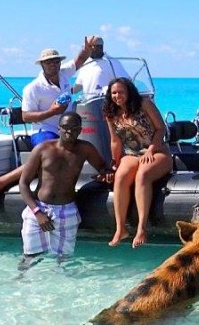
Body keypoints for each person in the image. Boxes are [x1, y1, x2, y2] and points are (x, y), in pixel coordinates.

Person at [16, 112, 112, 267]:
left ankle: (61, 288)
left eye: (74, 128)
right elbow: (23, 183)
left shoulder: (85, 149)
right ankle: (23, 286)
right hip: (38, 208)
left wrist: (107, 175)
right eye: (65, 127)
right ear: (58, 128)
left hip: (66, 210)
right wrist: (37, 213)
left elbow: (102, 167)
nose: (69, 131)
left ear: (80, 130)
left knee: (64, 260)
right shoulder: (42, 149)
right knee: (30, 257)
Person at [103, 77, 172, 248]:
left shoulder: (144, 103)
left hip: (156, 150)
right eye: (114, 93)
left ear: (129, 92)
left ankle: (141, 228)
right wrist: (114, 163)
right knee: (121, 176)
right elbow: (115, 141)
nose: (117, 96)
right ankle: (120, 229)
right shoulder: (111, 113)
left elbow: (160, 128)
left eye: (121, 92)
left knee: (143, 175)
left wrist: (151, 150)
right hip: (131, 153)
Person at [22, 38, 95, 145]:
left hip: (68, 130)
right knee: (51, 151)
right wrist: (52, 111)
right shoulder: (33, 88)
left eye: (56, 61)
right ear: (42, 65)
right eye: (48, 62)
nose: (53, 64)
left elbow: (81, 59)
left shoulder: (64, 73)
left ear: (60, 63)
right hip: (45, 131)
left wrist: (87, 48)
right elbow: (26, 117)